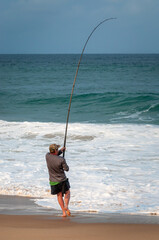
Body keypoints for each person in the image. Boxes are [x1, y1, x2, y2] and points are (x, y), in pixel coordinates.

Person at [46, 144, 71, 217]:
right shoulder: (61, 159)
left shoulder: (47, 156)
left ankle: (63, 212)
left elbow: (54, 155)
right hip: (62, 180)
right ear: (55, 151)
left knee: (59, 195)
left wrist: (61, 151)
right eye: (57, 149)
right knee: (67, 192)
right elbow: (67, 169)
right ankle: (66, 206)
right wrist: (63, 163)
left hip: (53, 181)